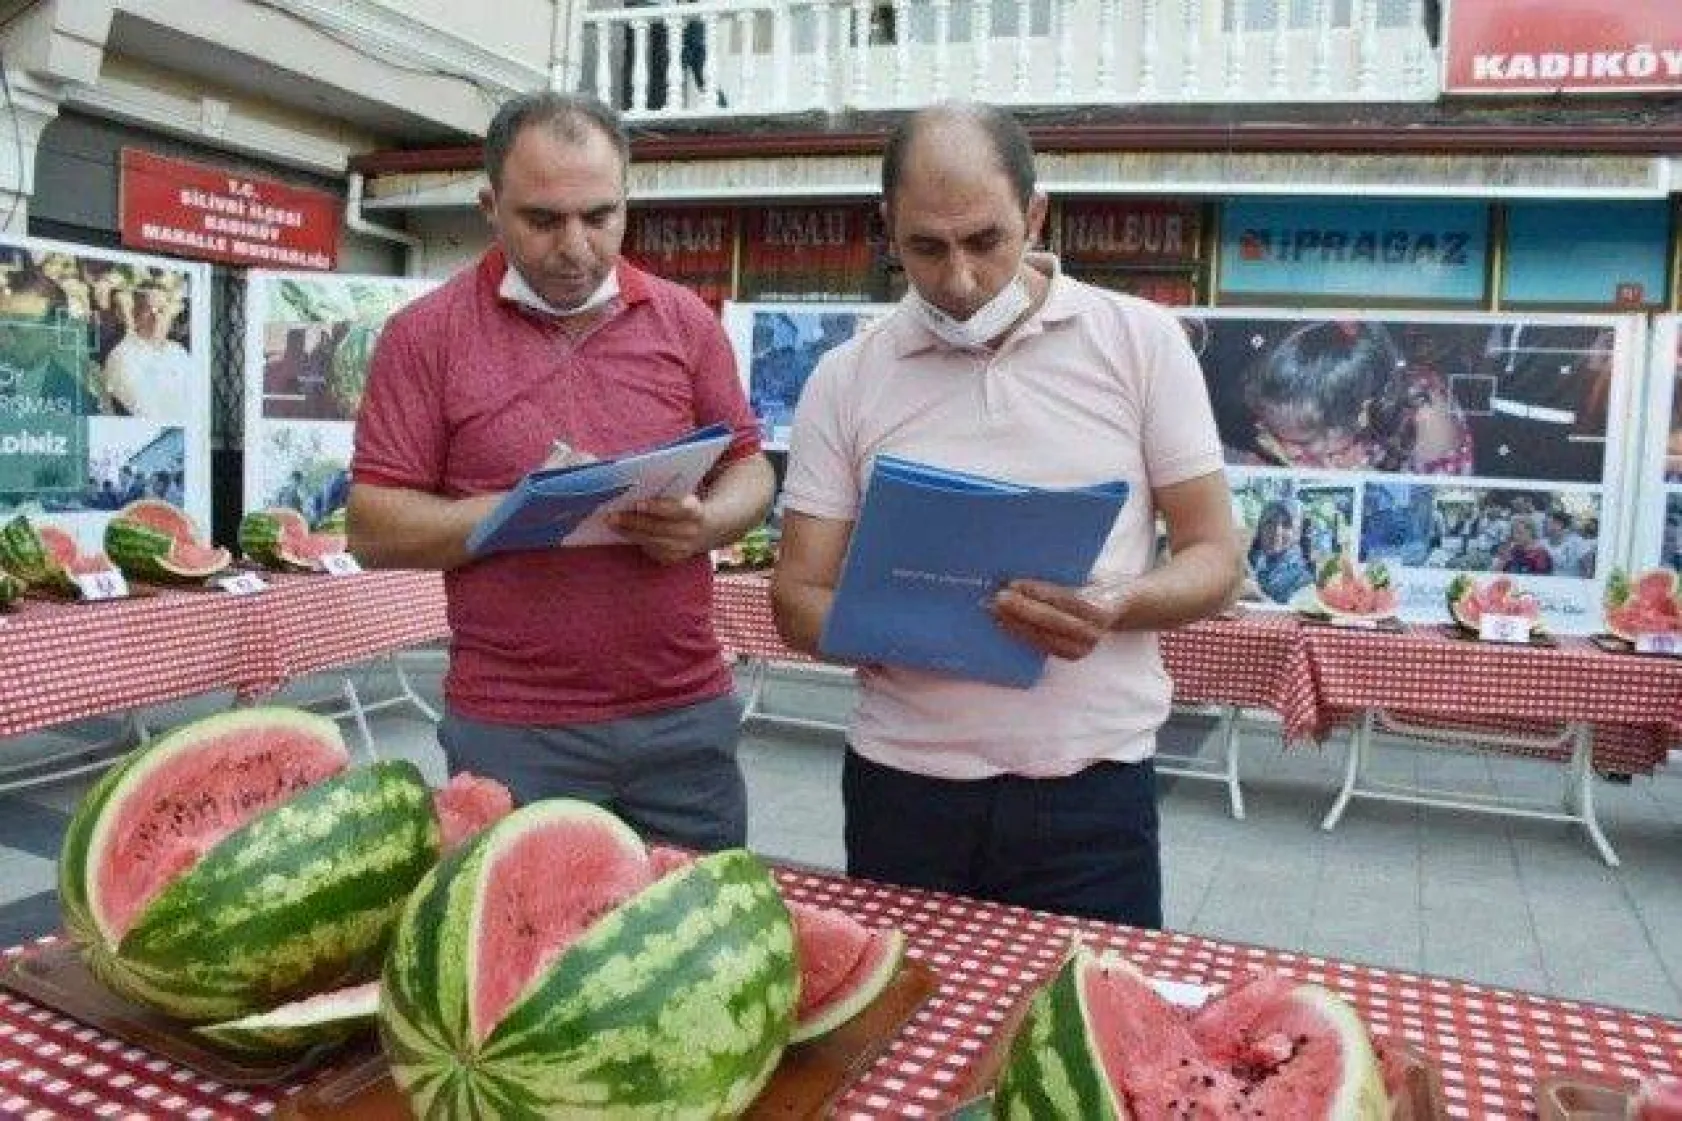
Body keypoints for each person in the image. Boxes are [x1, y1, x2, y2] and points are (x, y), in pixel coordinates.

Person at [771, 102, 1241, 928]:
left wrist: (1113, 602)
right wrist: (900, 622)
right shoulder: (845, 378)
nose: (957, 279)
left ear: (1034, 214)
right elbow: (796, 598)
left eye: (984, 241)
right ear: (888, 229)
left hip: (1093, 790)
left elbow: (1214, 554)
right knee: (910, 1044)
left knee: (1090, 1036)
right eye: (925, 247)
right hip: (905, 789)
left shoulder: (1141, 343)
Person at [348, 91, 774, 852]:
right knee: (525, 953)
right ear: (490, 205)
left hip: (684, 715)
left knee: (699, 958)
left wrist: (708, 522)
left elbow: (750, 468)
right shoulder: (425, 336)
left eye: (600, 216)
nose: (575, 245)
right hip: (513, 725)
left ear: (625, 203)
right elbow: (374, 527)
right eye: (543, 220)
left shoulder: (684, 321)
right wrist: (519, 512)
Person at [1238, 320, 1472, 474]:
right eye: (1275, 433)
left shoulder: (1424, 418)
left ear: (1360, 417)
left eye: (1303, 442)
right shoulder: (1295, 412)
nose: (1288, 452)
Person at [101, 282, 192, 420]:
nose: (156, 317)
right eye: (148, 310)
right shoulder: (122, 355)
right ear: (135, 314)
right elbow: (144, 410)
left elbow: (196, 403)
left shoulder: (178, 352)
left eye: (161, 311)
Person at [1247, 500, 1313, 605]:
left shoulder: (1304, 577)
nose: (1276, 531)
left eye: (1286, 525)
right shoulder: (1251, 564)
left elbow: (1296, 616)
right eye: (1269, 522)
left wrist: (1257, 596)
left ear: (1297, 533)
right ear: (1260, 530)